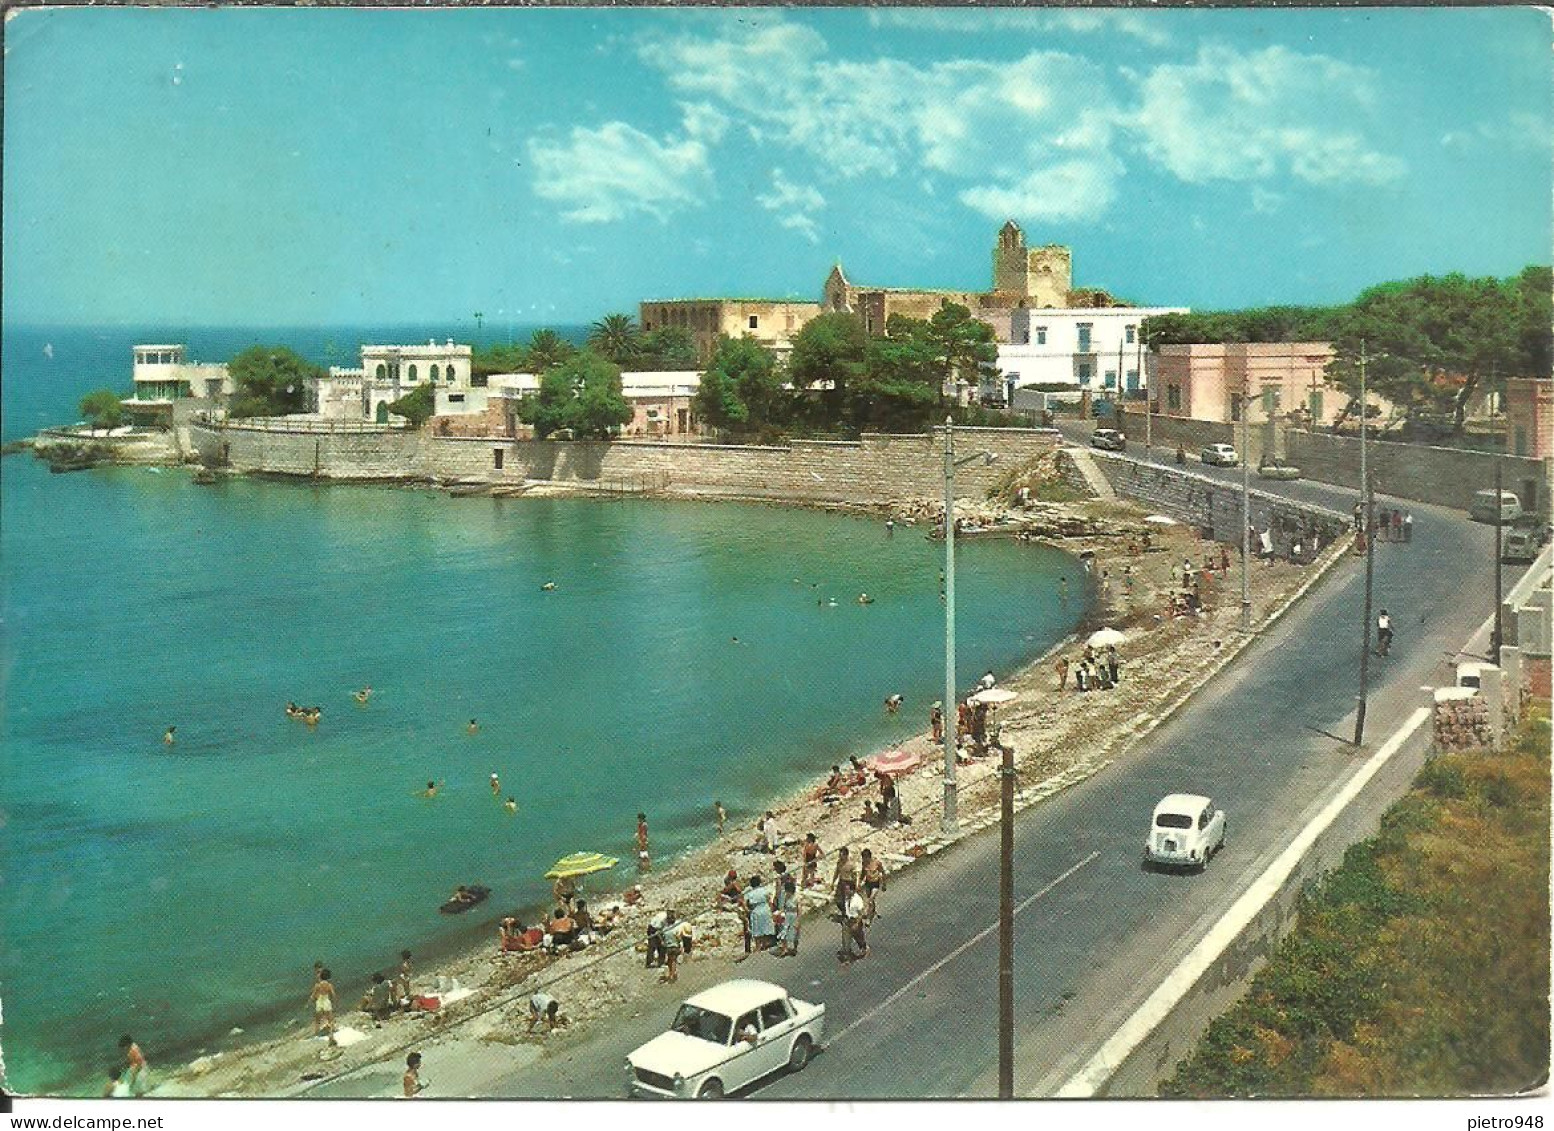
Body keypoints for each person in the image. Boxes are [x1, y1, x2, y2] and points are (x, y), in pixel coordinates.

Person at [744, 876, 777, 952]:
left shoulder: (750, 892)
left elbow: (744, 902)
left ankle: (758, 946)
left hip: (756, 910)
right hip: (765, 909)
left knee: (757, 928)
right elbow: (769, 900)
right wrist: (771, 910)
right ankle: (764, 944)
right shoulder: (763, 890)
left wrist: (747, 910)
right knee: (765, 926)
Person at [839, 880, 868, 961]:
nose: (845, 891)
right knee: (845, 939)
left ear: (852, 890)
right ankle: (847, 954)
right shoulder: (846, 897)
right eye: (845, 889)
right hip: (847, 921)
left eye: (847, 889)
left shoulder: (857, 900)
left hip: (855, 921)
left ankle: (864, 947)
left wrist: (857, 924)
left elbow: (861, 913)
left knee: (859, 938)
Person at [775, 875, 801, 957]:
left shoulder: (797, 898)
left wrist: (798, 920)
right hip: (787, 915)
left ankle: (795, 948)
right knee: (784, 931)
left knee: (795, 933)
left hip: (794, 915)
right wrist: (779, 913)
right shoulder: (786, 897)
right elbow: (784, 907)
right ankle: (785, 948)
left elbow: (799, 910)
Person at [860, 848, 886, 924]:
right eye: (863, 858)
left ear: (869, 857)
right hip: (868, 883)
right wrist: (859, 882)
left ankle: (869, 918)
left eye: (865, 858)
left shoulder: (876, 863)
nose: (864, 860)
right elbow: (863, 873)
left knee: (870, 900)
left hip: (875, 884)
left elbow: (883, 872)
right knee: (870, 900)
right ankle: (873, 911)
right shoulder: (864, 864)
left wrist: (884, 884)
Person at [309, 969, 336, 1038]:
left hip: (320, 1001)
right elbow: (333, 994)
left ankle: (316, 1033)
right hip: (326, 1001)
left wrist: (308, 1003)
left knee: (318, 1019)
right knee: (330, 1018)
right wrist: (334, 1001)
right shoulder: (329, 985)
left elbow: (313, 995)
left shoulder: (317, 985)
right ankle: (331, 1032)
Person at [831, 846, 857, 914]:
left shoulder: (851, 864)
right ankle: (844, 912)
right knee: (837, 899)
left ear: (846, 855)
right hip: (841, 882)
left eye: (841, 855)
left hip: (848, 882)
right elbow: (837, 872)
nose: (839, 856)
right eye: (839, 855)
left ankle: (848, 913)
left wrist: (854, 887)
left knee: (847, 900)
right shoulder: (839, 862)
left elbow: (855, 877)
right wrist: (833, 882)